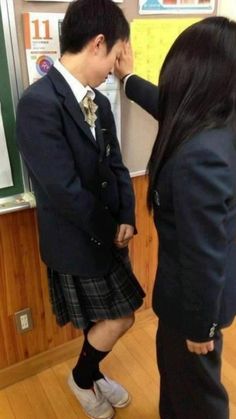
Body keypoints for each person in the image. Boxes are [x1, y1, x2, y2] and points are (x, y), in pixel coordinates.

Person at [16, 1, 145, 419]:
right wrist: (110, 228)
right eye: (115, 56)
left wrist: (127, 216)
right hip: (78, 236)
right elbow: (63, 191)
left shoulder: (100, 102)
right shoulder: (38, 103)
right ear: (98, 43)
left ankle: (91, 371)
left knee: (113, 316)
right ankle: (83, 377)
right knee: (119, 317)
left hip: (109, 230)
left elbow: (117, 166)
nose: (115, 68)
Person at [115, 16, 236, 419]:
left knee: (198, 393)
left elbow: (204, 257)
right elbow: (163, 103)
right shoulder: (219, 120)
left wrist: (200, 329)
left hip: (194, 308)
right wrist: (129, 79)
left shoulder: (200, 156)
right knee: (177, 377)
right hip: (199, 297)